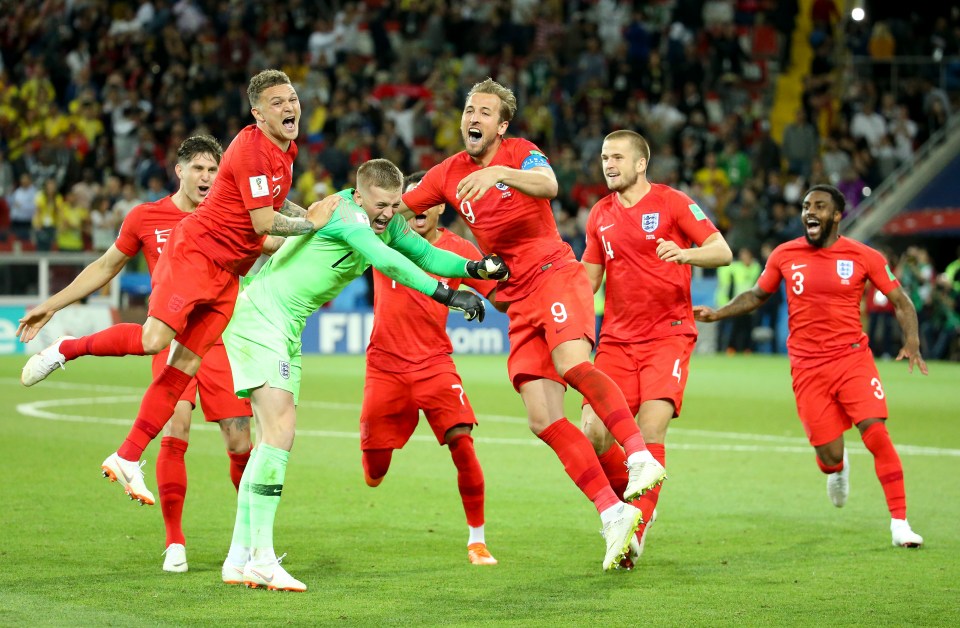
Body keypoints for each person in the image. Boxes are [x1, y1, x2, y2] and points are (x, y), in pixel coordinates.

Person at [19, 69, 337, 508]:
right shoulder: (243, 152)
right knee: (154, 342)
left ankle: (129, 456)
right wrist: (313, 224)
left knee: (184, 368)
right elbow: (266, 223)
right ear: (257, 113)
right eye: (278, 102)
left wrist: (315, 218)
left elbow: (273, 206)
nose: (290, 107)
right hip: (196, 256)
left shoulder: (286, 150)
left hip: (227, 276)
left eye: (293, 99)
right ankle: (67, 349)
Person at [401, 78, 666, 571]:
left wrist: (500, 172)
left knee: (571, 363)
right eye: (468, 110)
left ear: (502, 126)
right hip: (518, 299)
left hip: (555, 276)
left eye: (485, 112)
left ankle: (638, 455)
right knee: (543, 418)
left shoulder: (523, 153)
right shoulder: (447, 173)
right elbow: (399, 206)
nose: (473, 118)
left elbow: (551, 186)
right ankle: (612, 513)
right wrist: (348, 207)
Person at [221, 158, 504, 592]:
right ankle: (260, 557)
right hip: (262, 319)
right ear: (361, 194)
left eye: (394, 205)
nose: (389, 213)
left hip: (285, 328)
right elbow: (389, 264)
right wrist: (448, 295)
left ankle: (240, 557)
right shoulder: (346, 215)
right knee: (279, 433)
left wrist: (473, 269)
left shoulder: (383, 223)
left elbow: (425, 253)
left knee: (268, 441)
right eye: (381, 204)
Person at [15, 136, 271, 573]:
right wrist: (53, 303)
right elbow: (105, 266)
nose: (207, 178)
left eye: (213, 171)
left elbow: (268, 243)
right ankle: (175, 542)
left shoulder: (231, 215)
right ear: (180, 170)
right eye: (199, 170)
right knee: (177, 425)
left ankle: (250, 541)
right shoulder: (147, 216)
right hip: (172, 333)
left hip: (219, 336)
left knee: (238, 438)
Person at [693, 184, 927, 548]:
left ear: (836, 215)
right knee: (829, 456)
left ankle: (900, 522)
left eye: (819, 206)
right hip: (806, 367)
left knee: (876, 433)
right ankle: (838, 468)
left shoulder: (864, 255)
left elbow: (900, 300)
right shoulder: (786, 254)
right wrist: (719, 313)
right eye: (805, 206)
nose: (809, 212)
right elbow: (757, 294)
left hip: (852, 360)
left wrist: (911, 340)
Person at [580, 130, 732, 565]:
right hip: (615, 340)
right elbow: (588, 280)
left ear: (641, 163)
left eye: (617, 157)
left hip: (668, 335)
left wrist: (685, 256)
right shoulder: (600, 214)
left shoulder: (671, 202)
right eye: (604, 157)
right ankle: (630, 501)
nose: (608, 164)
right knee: (593, 432)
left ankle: (636, 530)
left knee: (650, 432)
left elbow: (720, 250)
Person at [361, 171, 500, 567]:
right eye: (411, 200)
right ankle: (374, 462)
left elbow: (500, 296)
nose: (418, 207)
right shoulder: (380, 235)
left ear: (440, 206)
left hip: (435, 363)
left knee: (462, 440)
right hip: (384, 365)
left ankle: (477, 540)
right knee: (374, 469)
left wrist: (517, 279)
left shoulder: (458, 250)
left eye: (428, 201)